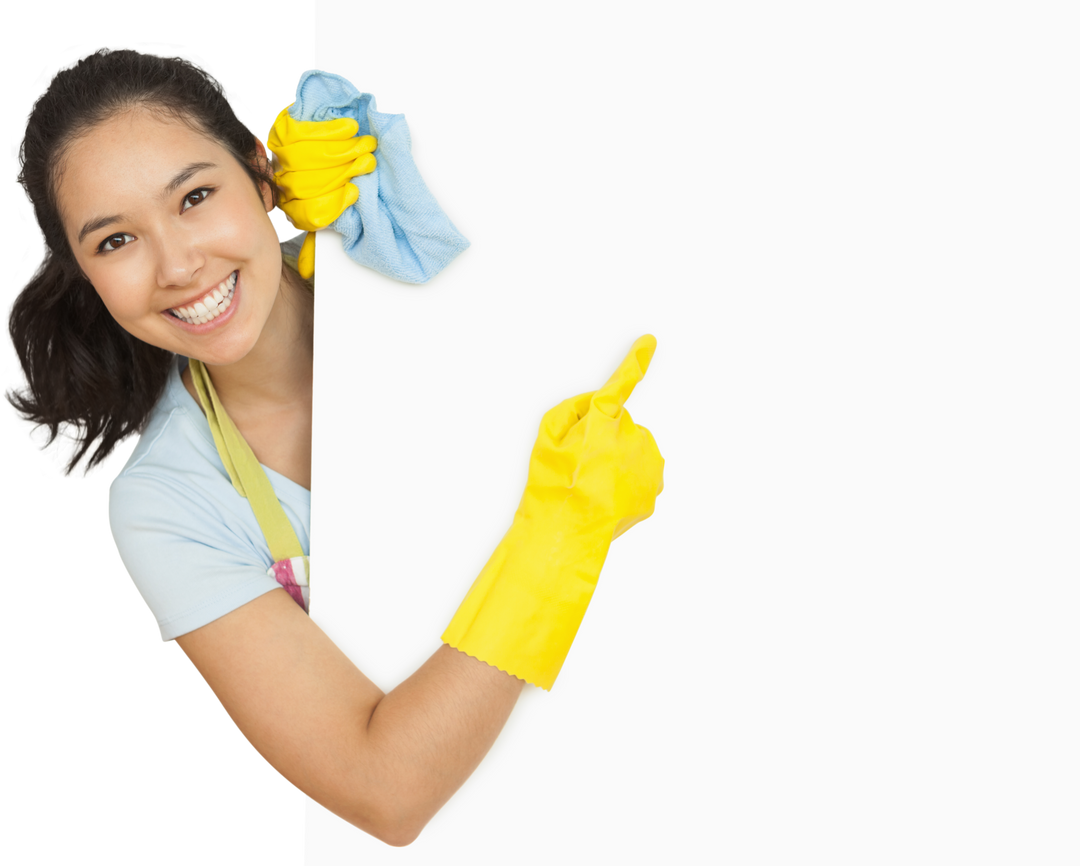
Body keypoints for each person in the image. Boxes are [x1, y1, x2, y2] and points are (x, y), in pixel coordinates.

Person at [5, 44, 663, 848]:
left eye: (196, 196)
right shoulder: (166, 503)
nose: (178, 265)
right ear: (83, 273)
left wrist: (401, 173)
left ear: (261, 169)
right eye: (115, 241)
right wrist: (565, 535)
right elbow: (384, 792)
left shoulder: (390, 247)